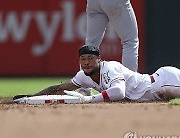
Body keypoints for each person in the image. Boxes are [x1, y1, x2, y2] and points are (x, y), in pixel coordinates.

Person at [13, 45, 180, 103]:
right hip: (156, 92)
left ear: (99, 59)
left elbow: (119, 92)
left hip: (162, 82)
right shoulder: (83, 75)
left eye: (90, 58)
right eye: (83, 59)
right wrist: (32, 96)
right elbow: (59, 88)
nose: (86, 62)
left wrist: (88, 98)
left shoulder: (111, 67)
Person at [79, 0, 139, 95]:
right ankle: (130, 89)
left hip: (93, 2)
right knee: (130, 42)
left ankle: (84, 89)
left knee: (91, 45)